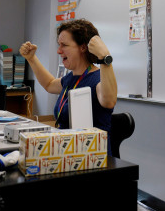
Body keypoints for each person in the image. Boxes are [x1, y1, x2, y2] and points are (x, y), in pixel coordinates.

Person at [20, 19, 117, 154]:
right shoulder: (71, 78)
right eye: (59, 45)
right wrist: (31, 58)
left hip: (92, 156)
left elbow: (109, 100)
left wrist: (105, 58)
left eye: (64, 45)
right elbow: (49, 84)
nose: (59, 51)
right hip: (69, 151)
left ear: (83, 47)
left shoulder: (98, 79)